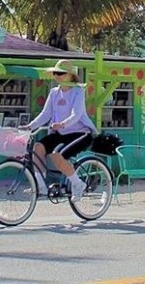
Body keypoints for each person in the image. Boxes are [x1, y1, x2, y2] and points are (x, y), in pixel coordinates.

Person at [23, 59, 97, 198]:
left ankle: (78, 183)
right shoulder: (54, 93)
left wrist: (62, 124)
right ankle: (41, 186)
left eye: (61, 73)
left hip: (80, 133)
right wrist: (29, 126)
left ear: (70, 75)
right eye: (55, 73)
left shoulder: (77, 92)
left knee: (58, 155)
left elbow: (77, 114)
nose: (57, 76)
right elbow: (45, 114)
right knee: (38, 148)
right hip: (60, 133)